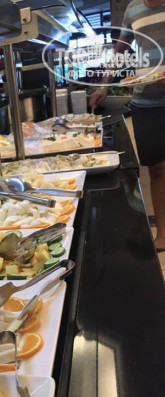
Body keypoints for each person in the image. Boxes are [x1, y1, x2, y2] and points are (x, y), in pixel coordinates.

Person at [90, 0, 165, 252]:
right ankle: (163, 234)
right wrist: (104, 85)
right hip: (145, 103)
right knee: (156, 170)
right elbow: (119, 52)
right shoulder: (133, 8)